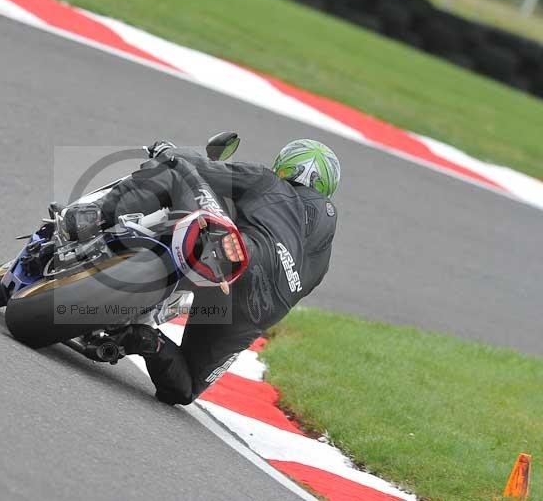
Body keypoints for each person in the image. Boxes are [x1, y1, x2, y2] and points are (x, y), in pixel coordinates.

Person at [63, 138, 340, 405]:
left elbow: (202, 168)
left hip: (237, 253)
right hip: (259, 310)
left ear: (285, 167)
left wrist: (168, 151)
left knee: (175, 169)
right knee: (185, 388)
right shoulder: (323, 259)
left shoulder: (268, 181)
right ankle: (145, 340)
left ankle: (94, 216)